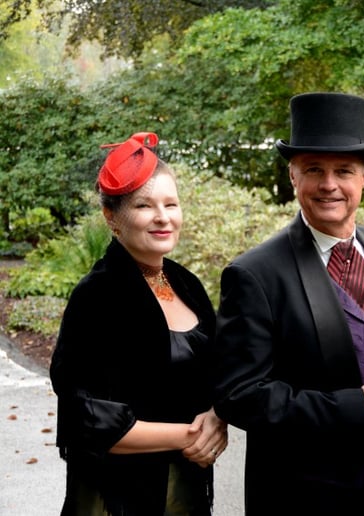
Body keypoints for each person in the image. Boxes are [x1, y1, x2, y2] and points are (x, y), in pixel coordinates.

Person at [212, 92, 364, 515]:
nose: (329, 184)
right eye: (314, 170)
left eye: (344, 170)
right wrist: (348, 413)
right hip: (303, 498)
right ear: (294, 177)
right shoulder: (255, 273)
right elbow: (239, 394)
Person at [50, 132, 228, 515]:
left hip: (186, 489)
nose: (163, 217)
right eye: (144, 206)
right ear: (111, 217)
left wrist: (217, 417)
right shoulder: (97, 296)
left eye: (171, 204)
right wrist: (192, 436)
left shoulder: (187, 284)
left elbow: (221, 373)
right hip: (119, 497)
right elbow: (91, 419)